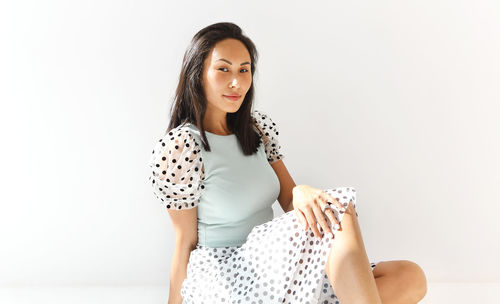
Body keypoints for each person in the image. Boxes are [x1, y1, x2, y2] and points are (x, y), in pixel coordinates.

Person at [148, 22, 427, 304]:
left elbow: (291, 200)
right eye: (223, 69)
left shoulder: (257, 130)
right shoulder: (181, 147)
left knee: (408, 276)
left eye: (244, 70)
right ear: (198, 75)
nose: (237, 82)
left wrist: (301, 191)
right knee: (338, 210)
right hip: (229, 274)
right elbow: (186, 242)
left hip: (276, 262)